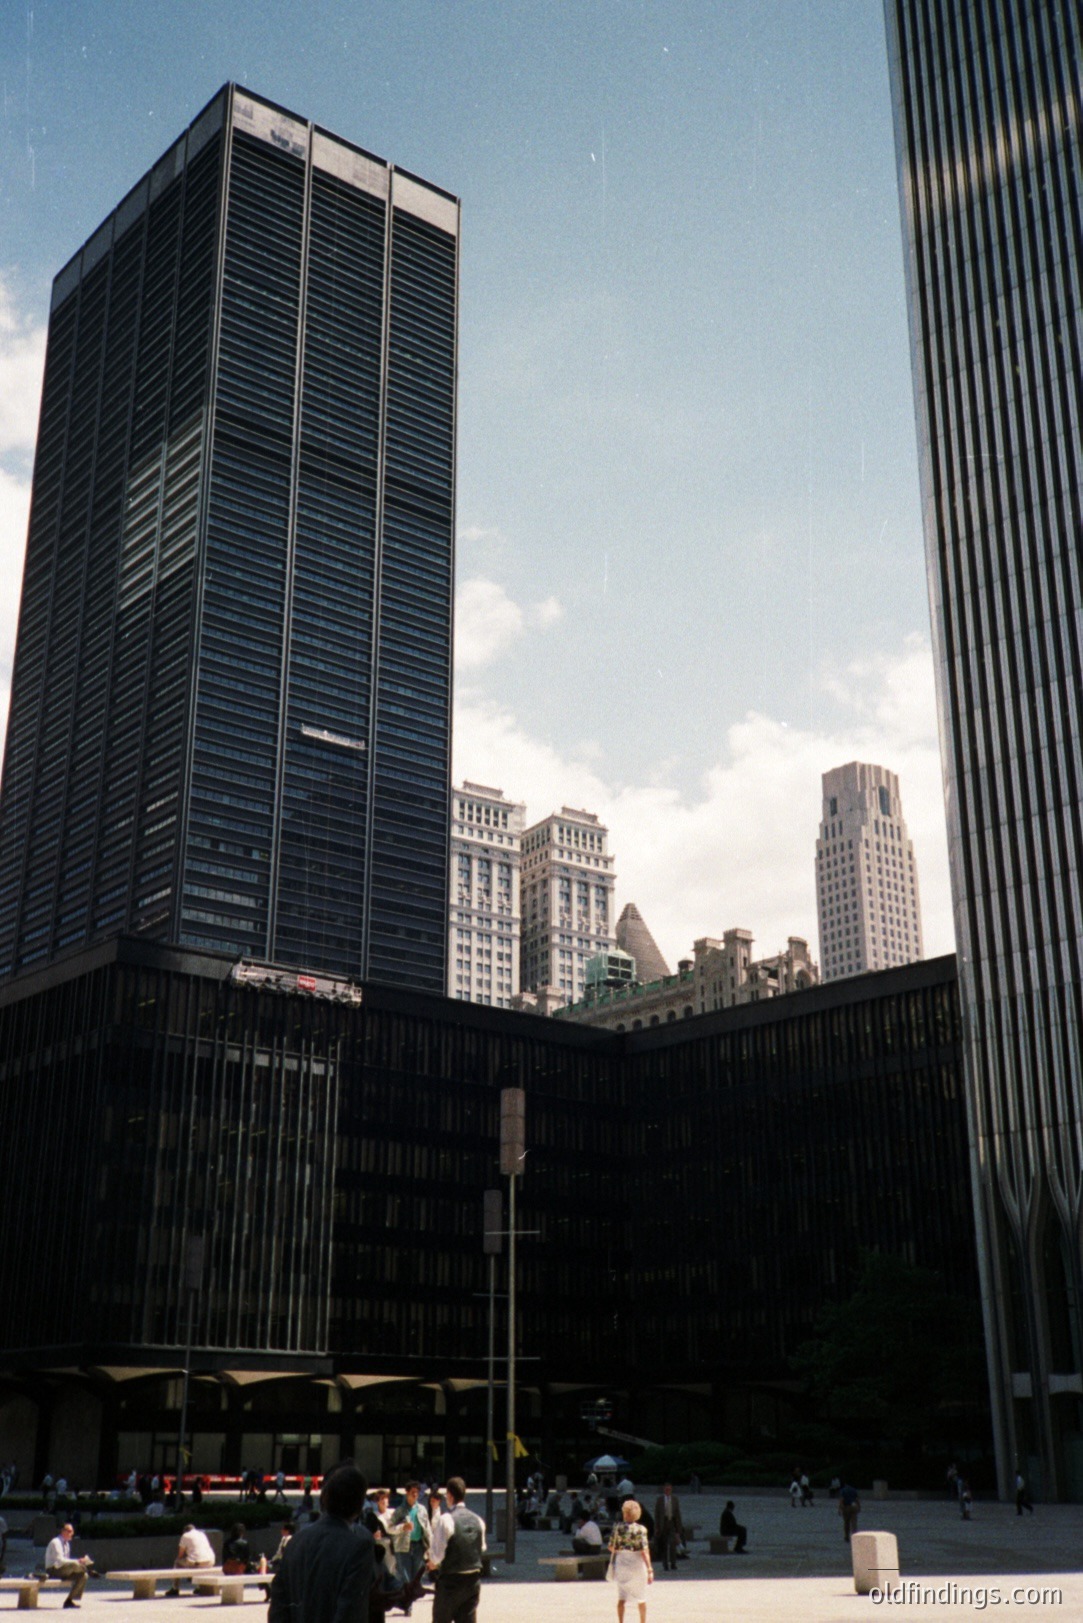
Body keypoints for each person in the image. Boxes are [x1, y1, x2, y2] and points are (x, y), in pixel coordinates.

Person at [269, 1464, 375, 1623]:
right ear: (359, 1505)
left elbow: (278, 1608)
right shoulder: (358, 1547)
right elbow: (350, 1613)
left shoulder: (296, 1541)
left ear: (324, 1498)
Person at [427, 1474, 486, 1623]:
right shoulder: (478, 1520)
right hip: (473, 1583)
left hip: (450, 1583)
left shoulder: (446, 1519)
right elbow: (482, 1548)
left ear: (449, 1495)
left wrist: (431, 1562)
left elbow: (436, 1557)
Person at [609, 1499, 652, 1623]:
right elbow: (644, 1550)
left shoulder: (617, 1528)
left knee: (622, 1597)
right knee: (641, 1597)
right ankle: (642, 1621)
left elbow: (611, 1547)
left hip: (622, 1564)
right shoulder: (641, 1530)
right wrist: (649, 1568)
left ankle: (621, 1621)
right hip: (637, 1565)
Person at [44, 1523, 93, 1609]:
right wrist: (78, 1561)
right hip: (53, 1569)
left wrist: (79, 1562)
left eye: (72, 1531)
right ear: (63, 1531)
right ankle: (87, 1569)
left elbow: (67, 1561)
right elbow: (60, 1561)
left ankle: (69, 1600)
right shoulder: (56, 1542)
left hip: (63, 1570)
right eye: (70, 1531)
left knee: (83, 1576)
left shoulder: (67, 1544)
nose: (72, 1533)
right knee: (75, 1564)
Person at [391, 1482, 430, 1587]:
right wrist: (402, 1527)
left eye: (417, 1492)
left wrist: (430, 1548)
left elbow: (427, 1529)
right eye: (412, 1492)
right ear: (407, 1493)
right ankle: (406, 1600)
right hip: (403, 1548)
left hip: (418, 1546)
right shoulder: (400, 1510)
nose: (415, 1495)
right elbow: (390, 1528)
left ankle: (412, 1599)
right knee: (405, 1578)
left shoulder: (422, 1510)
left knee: (417, 1577)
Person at [165, 1523, 216, 1596]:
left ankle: (175, 1588)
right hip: (210, 1561)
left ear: (185, 1531)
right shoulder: (202, 1534)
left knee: (177, 1563)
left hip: (197, 1562)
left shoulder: (185, 1535)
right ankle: (199, 1587)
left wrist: (182, 1558)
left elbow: (180, 1554)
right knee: (198, 1561)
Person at [652, 1483, 684, 1573]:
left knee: (672, 1545)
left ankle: (673, 1563)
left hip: (672, 1523)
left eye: (669, 1489)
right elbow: (657, 1514)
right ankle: (665, 1564)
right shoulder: (660, 1500)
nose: (668, 1491)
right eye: (666, 1489)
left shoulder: (674, 1500)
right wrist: (657, 1527)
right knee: (664, 1545)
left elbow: (677, 1514)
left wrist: (679, 1528)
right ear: (664, 1490)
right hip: (663, 1524)